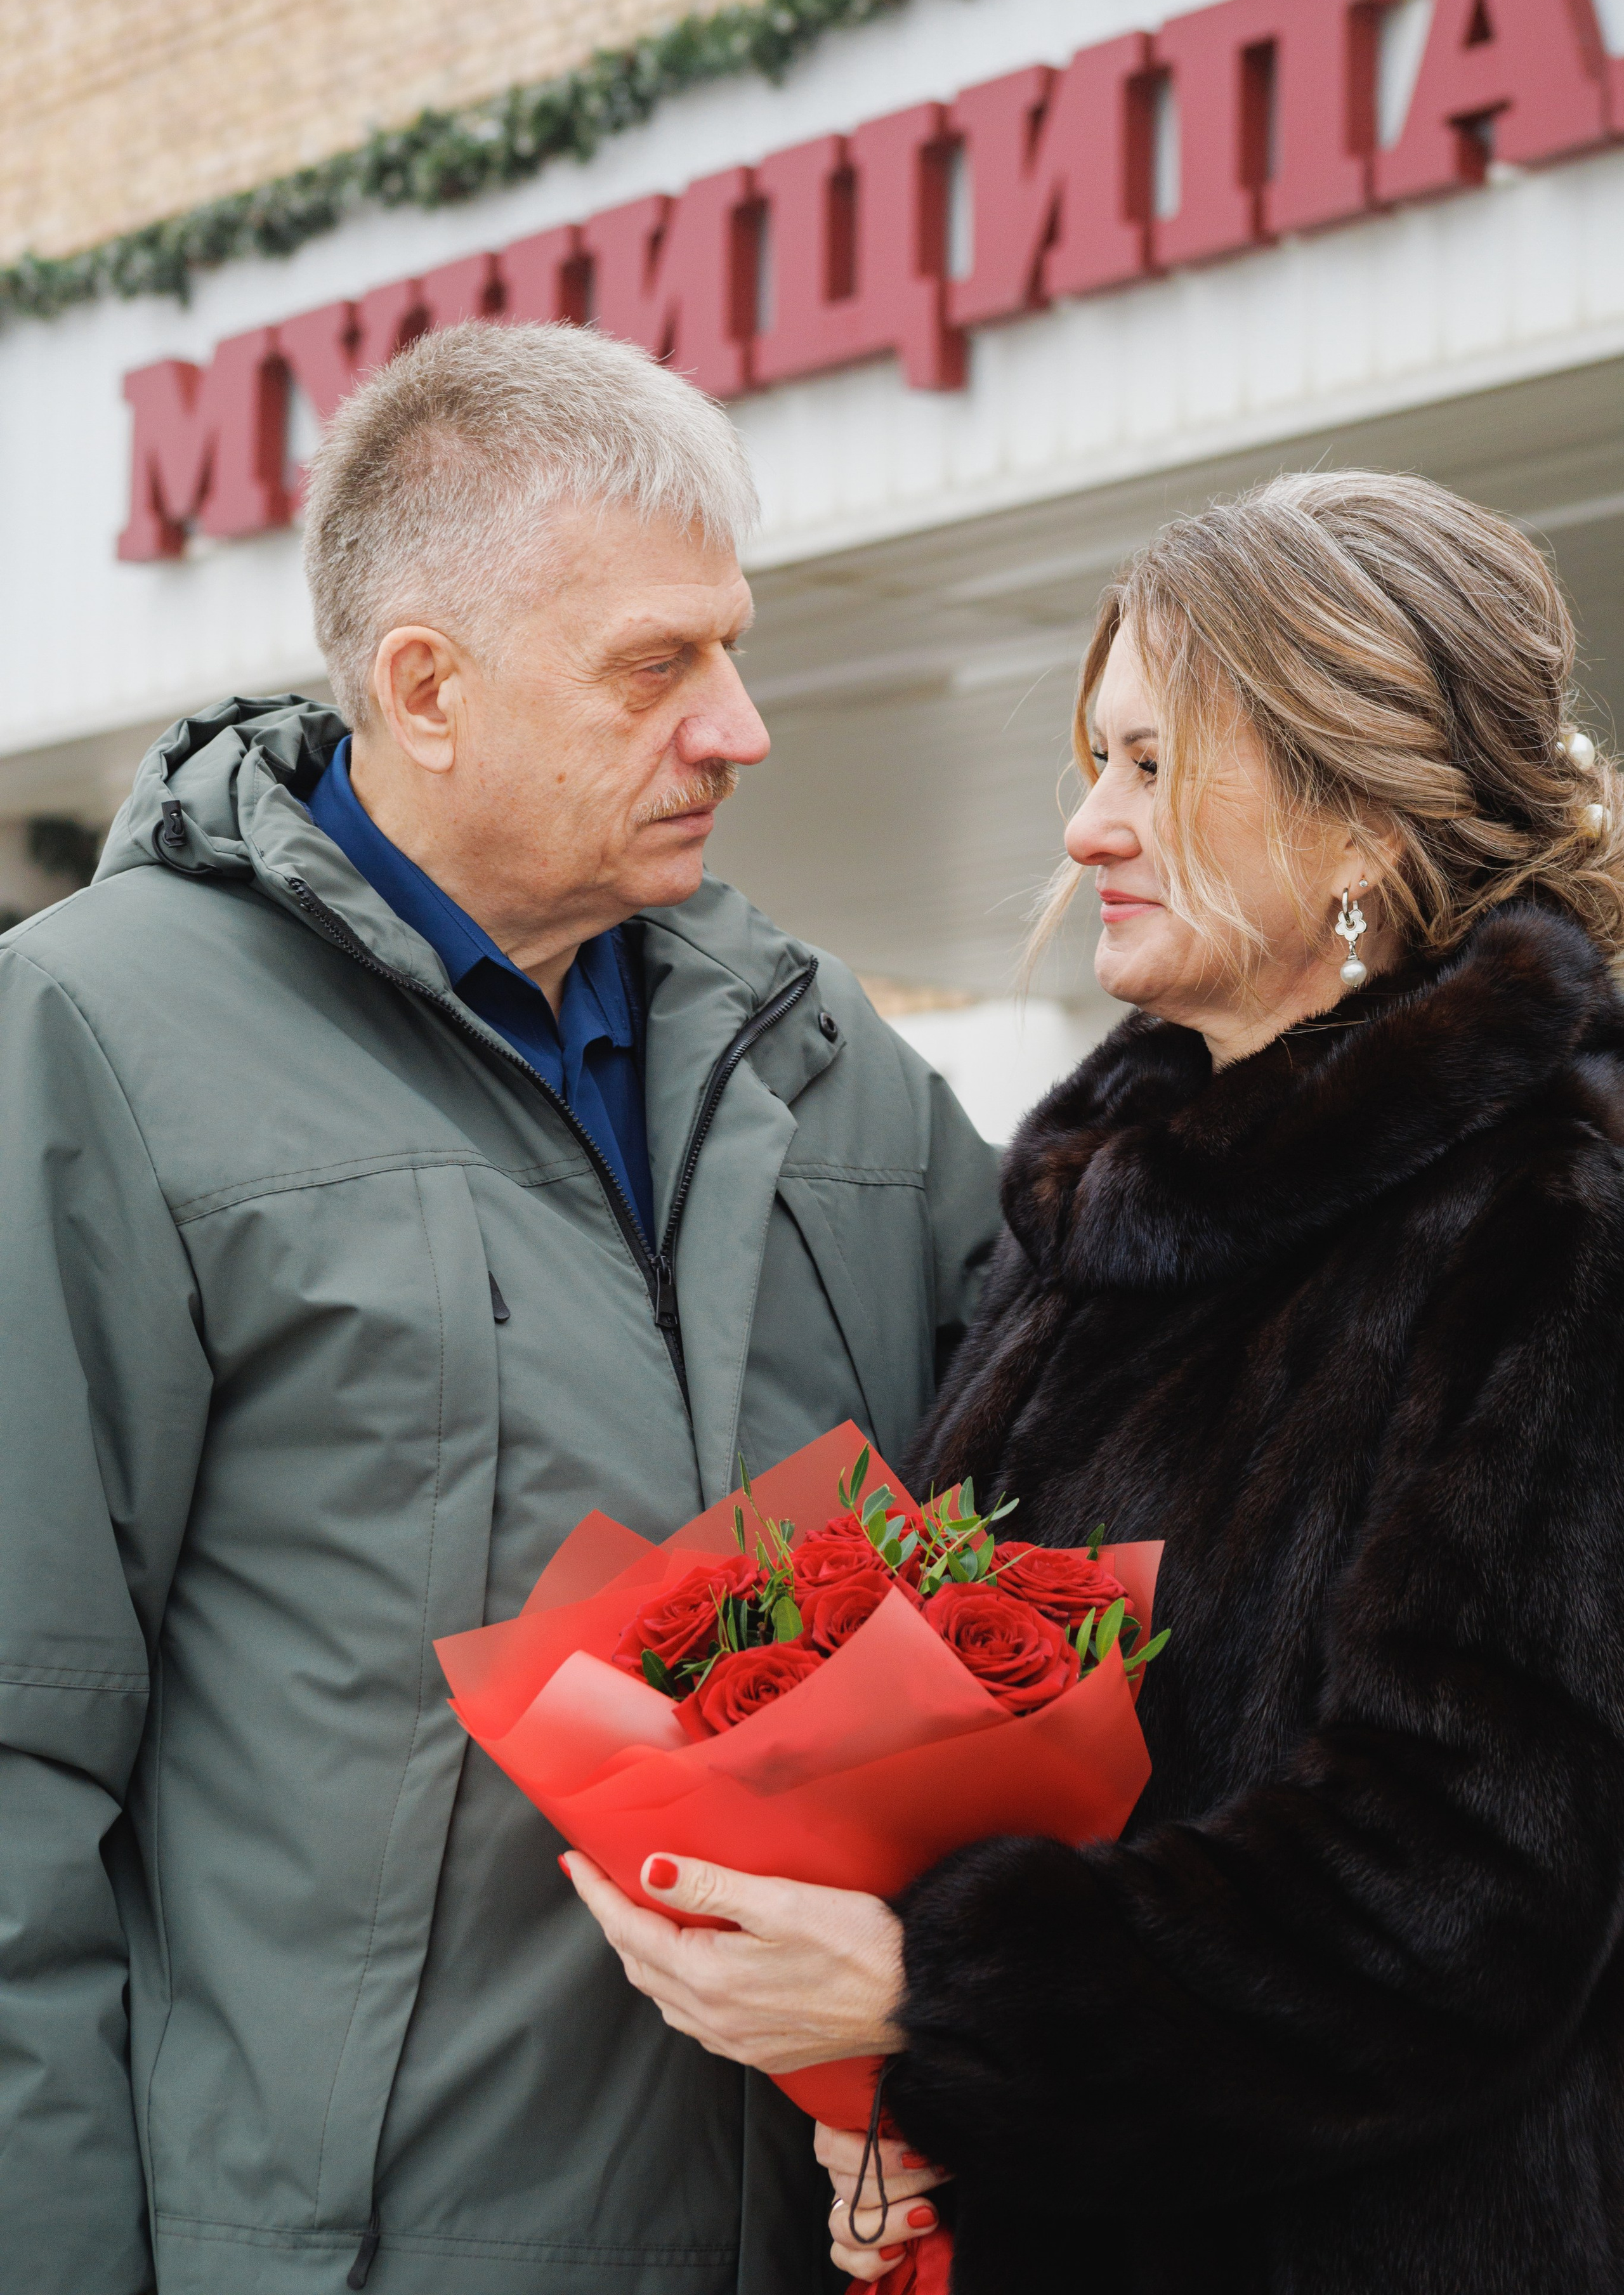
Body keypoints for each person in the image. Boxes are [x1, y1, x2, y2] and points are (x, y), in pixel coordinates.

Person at [0, 319, 1000, 2295]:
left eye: (731, 646)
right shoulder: (92, 1033)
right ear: (425, 689)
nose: (738, 724)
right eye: (657, 666)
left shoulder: (823, 1054)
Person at [563, 470, 1624, 2295]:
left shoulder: (1546, 1214)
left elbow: (1465, 1888)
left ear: (1362, 820)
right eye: (1095, 762)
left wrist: (940, 1994)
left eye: (1148, 766)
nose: (1083, 830)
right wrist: (918, 2115)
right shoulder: (1114, 1216)